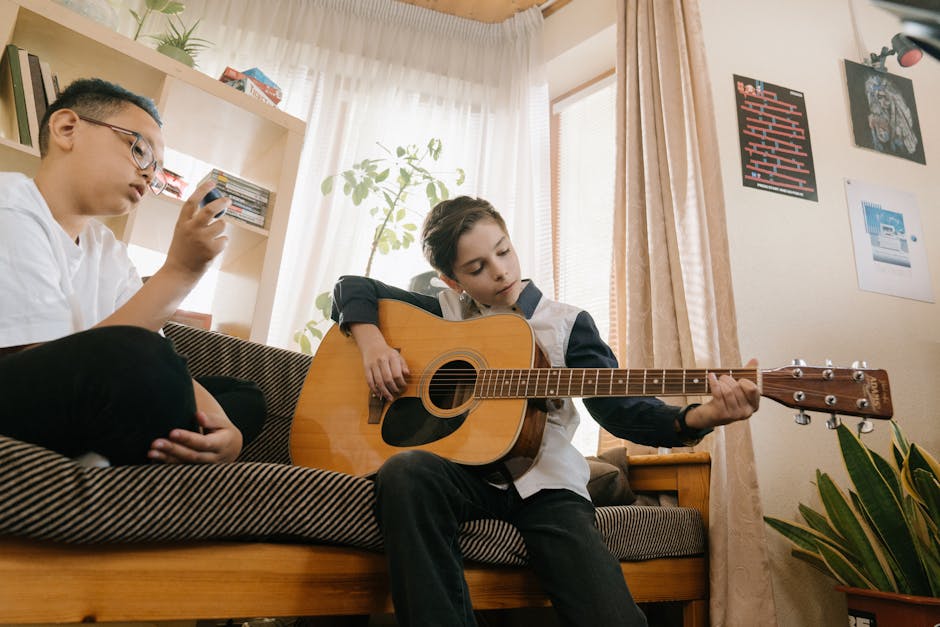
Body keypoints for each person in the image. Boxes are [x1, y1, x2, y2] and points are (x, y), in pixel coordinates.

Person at [331, 195, 761, 626]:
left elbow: (621, 410)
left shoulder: (566, 325)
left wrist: (703, 416)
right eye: (477, 267)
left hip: (545, 487)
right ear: (452, 280)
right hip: (462, 476)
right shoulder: (443, 315)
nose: (500, 270)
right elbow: (352, 287)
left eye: (503, 250)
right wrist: (373, 345)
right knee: (406, 471)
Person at [0, 77, 265, 466]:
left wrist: (229, 432)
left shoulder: (108, 250)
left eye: (157, 170)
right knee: (136, 361)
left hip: (100, 390)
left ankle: (162, 444)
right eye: (139, 150)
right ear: (67, 129)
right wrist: (179, 272)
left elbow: (157, 351)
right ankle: (150, 449)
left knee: (243, 398)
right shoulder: (11, 205)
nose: (149, 175)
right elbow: (49, 361)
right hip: (18, 390)